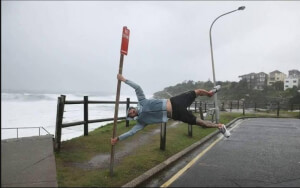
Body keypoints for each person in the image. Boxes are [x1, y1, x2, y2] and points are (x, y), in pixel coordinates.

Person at [111, 74, 230, 145]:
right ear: (132, 117)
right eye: (130, 114)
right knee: (200, 123)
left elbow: (137, 87)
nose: (131, 112)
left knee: (197, 91)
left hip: (174, 101)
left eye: (130, 110)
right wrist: (118, 138)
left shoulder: (142, 101)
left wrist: (123, 79)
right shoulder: (142, 122)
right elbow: (131, 132)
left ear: (132, 108)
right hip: (175, 114)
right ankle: (220, 126)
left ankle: (210, 93)